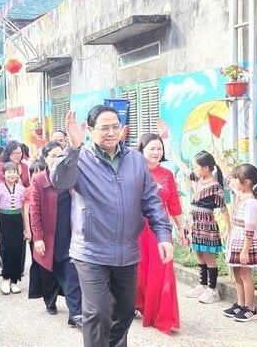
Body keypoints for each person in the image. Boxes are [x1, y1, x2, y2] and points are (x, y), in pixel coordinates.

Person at [51, 106, 173, 347]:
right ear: (91, 130)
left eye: (115, 126)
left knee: (124, 313)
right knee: (98, 313)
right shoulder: (80, 158)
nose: (110, 132)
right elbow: (60, 181)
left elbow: (150, 199)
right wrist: (72, 148)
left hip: (127, 252)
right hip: (91, 251)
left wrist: (163, 234)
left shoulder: (136, 160)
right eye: (104, 127)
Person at [135, 133, 186, 334]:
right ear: (142, 150)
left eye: (159, 149)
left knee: (161, 270)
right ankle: (139, 304)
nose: (156, 152)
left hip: (159, 228)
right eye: (152, 149)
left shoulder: (167, 174)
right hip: (138, 227)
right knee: (139, 271)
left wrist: (182, 228)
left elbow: (174, 203)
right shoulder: (135, 171)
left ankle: (161, 314)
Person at [30, 141, 83, 328]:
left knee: (72, 273)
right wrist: (37, 237)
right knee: (51, 272)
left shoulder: (71, 177)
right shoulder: (38, 180)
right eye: (53, 156)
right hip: (49, 236)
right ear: (45, 158)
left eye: (61, 156)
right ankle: (50, 301)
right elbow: (34, 211)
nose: (57, 159)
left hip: (69, 234)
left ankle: (75, 313)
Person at [223, 163, 257, 322]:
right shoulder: (240, 194)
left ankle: (250, 308)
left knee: (244, 273)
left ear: (247, 182)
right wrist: (218, 158)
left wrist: (245, 250)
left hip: (245, 241)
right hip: (236, 237)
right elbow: (228, 177)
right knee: (236, 272)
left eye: (237, 178)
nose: (233, 181)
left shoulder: (251, 202)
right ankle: (240, 304)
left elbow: (250, 228)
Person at [183, 150, 228, 304]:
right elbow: (184, 170)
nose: (194, 169)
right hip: (196, 222)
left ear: (206, 168)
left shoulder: (215, 186)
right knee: (199, 253)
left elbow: (223, 208)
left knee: (208, 256)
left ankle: (212, 290)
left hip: (207, 223)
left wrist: (228, 227)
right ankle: (202, 285)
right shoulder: (199, 179)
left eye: (196, 166)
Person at [0, 161, 30, 295]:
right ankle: (5, 278)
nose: (12, 174)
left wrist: (27, 229)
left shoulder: (22, 189)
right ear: (3, 174)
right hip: (4, 220)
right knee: (6, 250)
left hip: (17, 220)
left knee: (17, 251)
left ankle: (14, 280)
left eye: (14, 171)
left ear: (18, 173)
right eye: (9, 172)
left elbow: (24, 212)